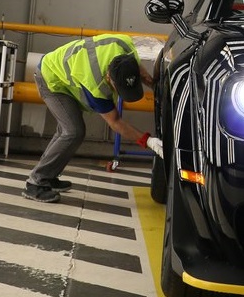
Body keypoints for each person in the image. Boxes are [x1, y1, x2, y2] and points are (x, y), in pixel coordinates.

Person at [25, 33, 164, 203]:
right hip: (50, 79)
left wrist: (155, 86)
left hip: (63, 68)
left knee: (66, 131)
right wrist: (148, 141)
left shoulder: (126, 49)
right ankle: (36, 182)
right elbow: (115, 122)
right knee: (73, 131)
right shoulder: (96, 86)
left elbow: (137, 70)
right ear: (108, 78)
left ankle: (48, 176)